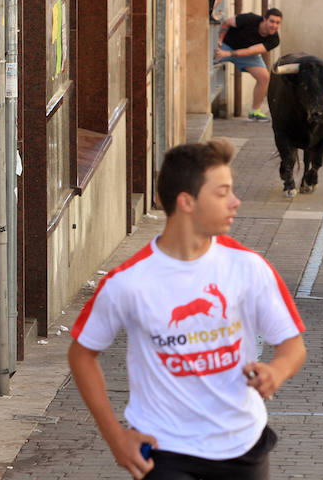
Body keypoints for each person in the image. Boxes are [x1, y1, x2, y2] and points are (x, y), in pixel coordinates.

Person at [69, 139, 306, 480]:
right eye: (222, 192)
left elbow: (293, 346)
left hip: (243, 448)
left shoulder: (249, 267)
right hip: (166, 453)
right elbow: (81, 354)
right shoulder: (128, 281)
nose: (236, 202)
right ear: (187, 202)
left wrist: (277, 372)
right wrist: (115, 437)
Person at [214, 9, 283, 122]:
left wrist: (228, 54)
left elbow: (251, 51)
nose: (274, 25)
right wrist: (220, 41)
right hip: (226, 45)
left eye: (277, 23)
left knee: (264, 77)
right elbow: (227, 22)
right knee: (206, 65)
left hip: (245, 54)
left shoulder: (274, 39)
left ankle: (254, 112)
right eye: (272, 21)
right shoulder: (250, 19)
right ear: (264, 19)